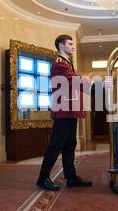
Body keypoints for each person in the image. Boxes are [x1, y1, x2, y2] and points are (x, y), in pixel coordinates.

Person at [37, 34, 111, 191]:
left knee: (70, 145)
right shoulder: (59, 64)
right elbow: (76, 81)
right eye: (70, 43)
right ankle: (42, 178)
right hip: (63, 112)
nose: (73, 46)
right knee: (55, 146)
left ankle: (71, 178)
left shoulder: (67, 64)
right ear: (61, 46)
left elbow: (77, 85)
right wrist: (101, 84)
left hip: (70, 111)